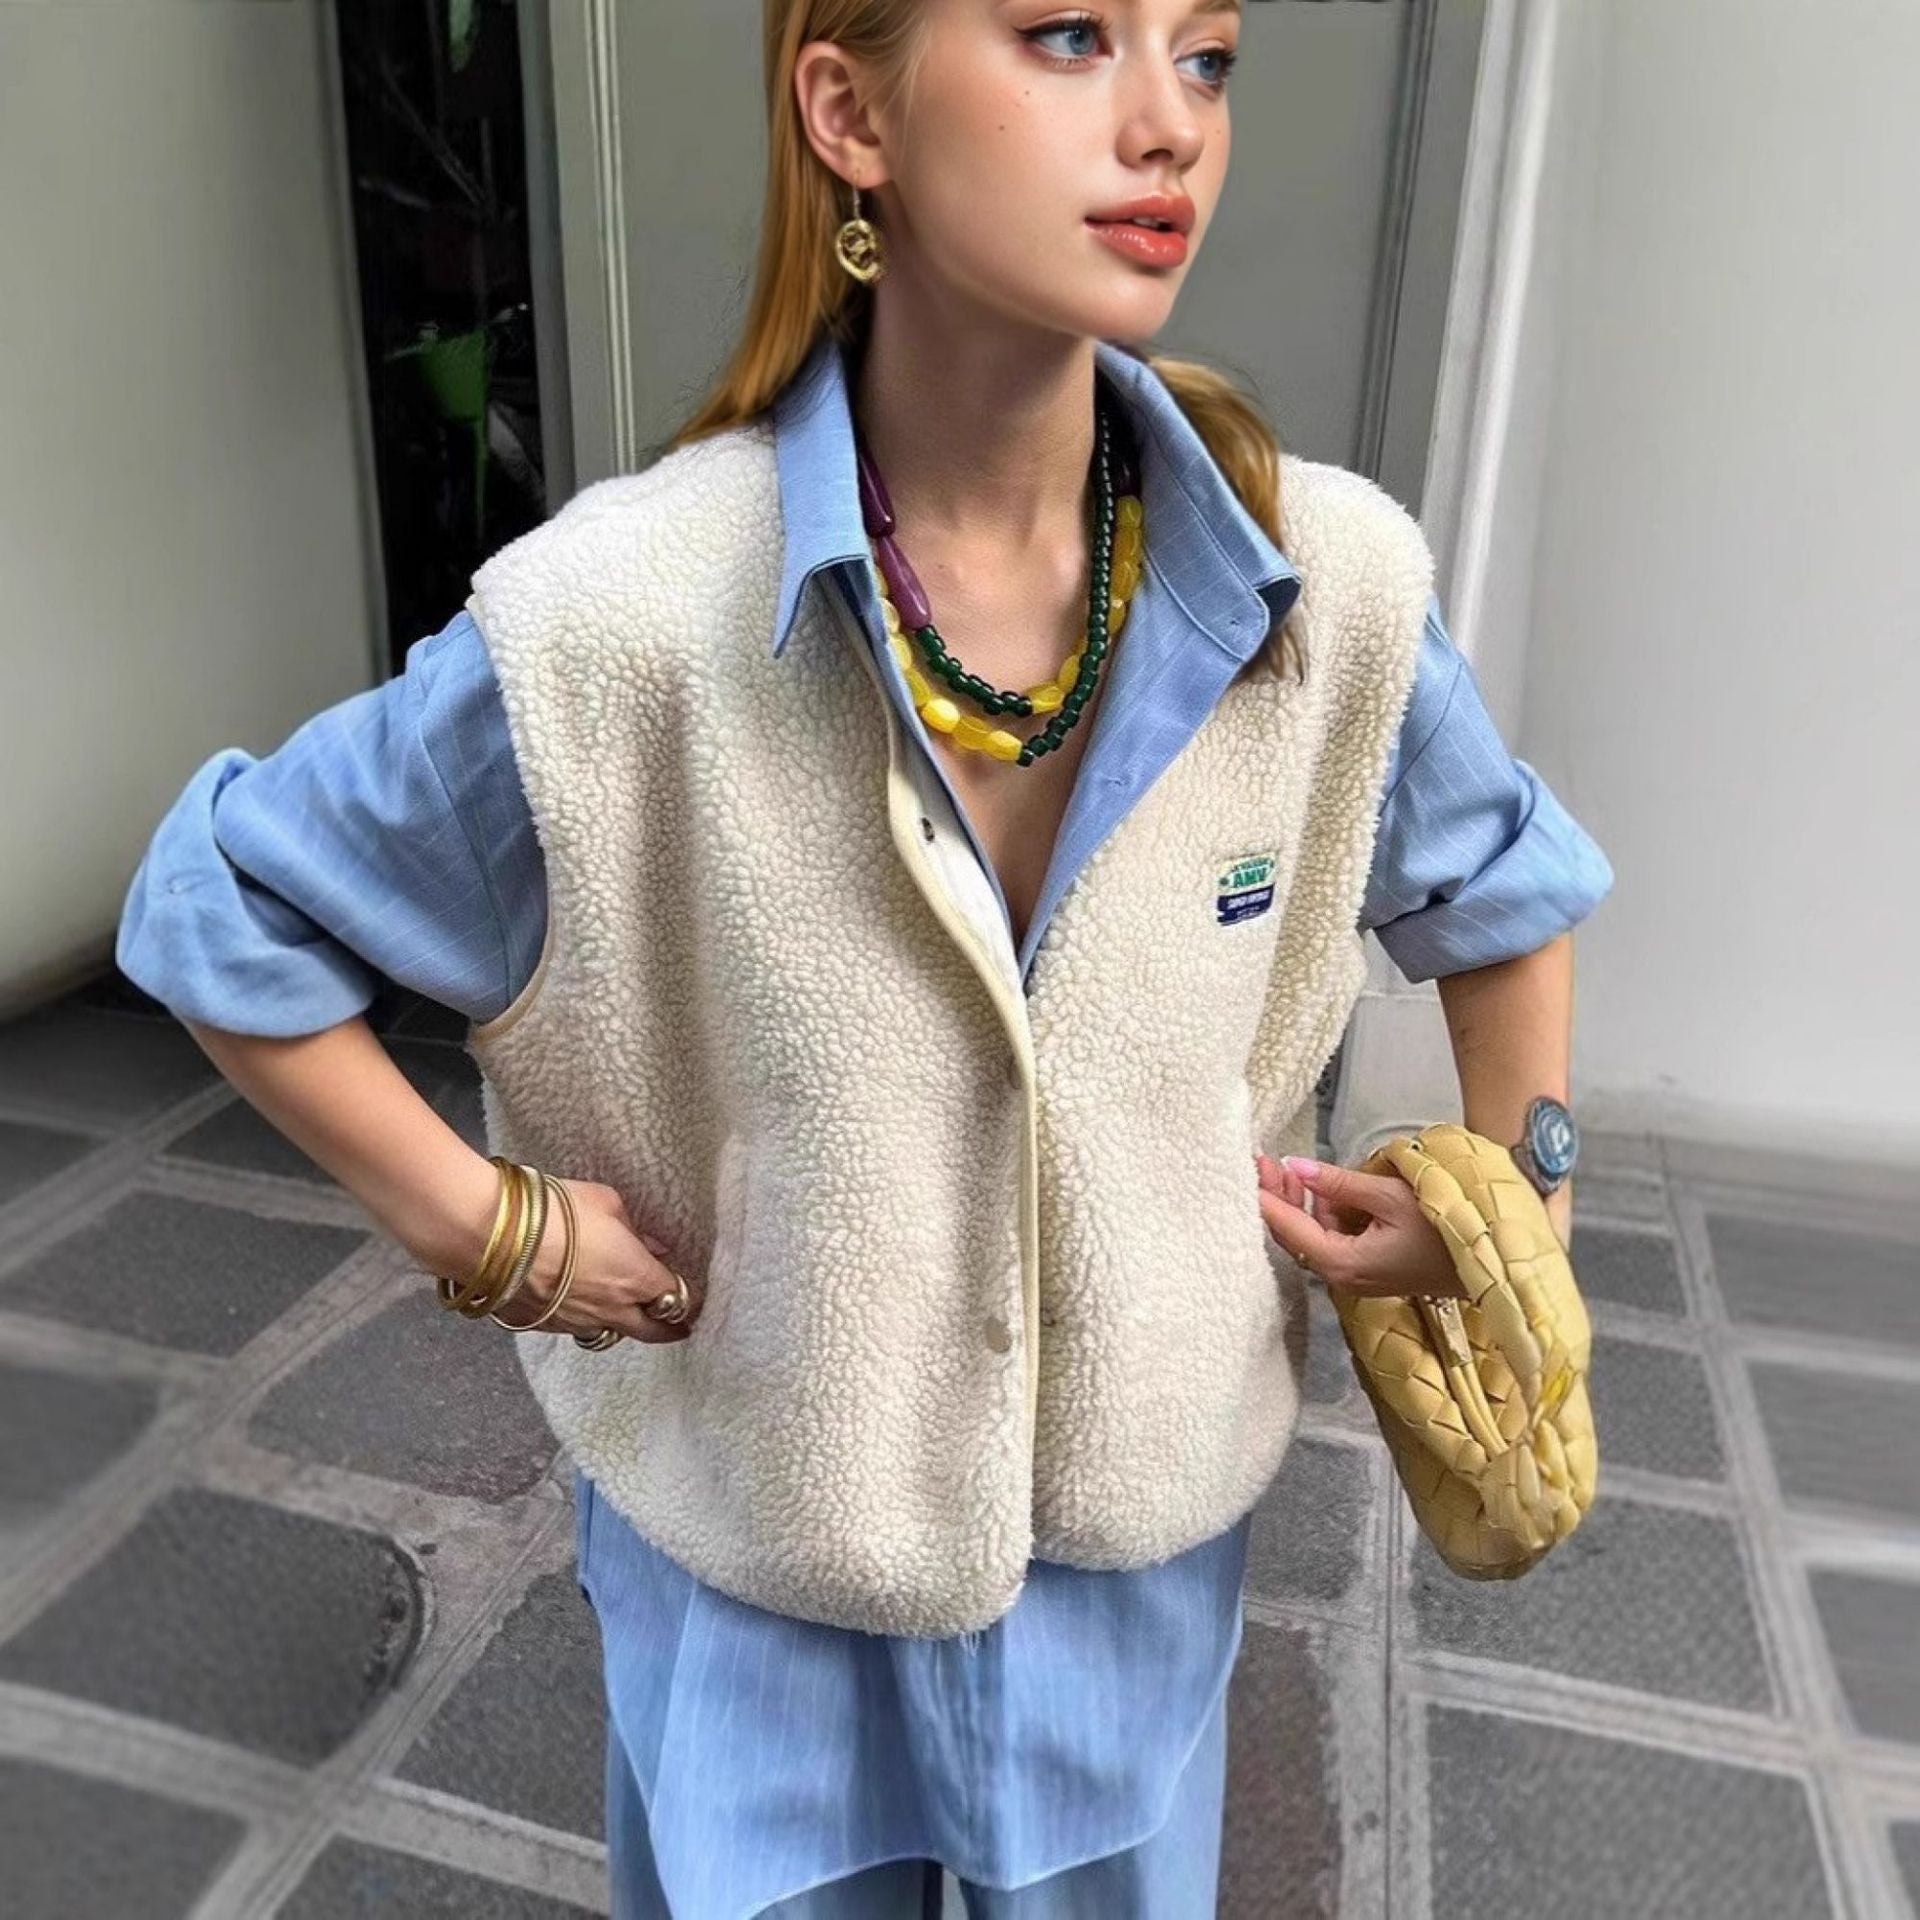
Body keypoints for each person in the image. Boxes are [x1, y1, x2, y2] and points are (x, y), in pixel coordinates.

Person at [116, 1, 1613, 1913]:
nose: (1169, 124)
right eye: (1069, 34)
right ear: (849, 110)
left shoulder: (1325, 581)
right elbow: (219, 905)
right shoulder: (617, 622)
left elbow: (1506, 890)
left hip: (1134, 1572)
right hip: (762, 1577)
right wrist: (490, 1230)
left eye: (1207, 54)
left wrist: (1514, 1212)